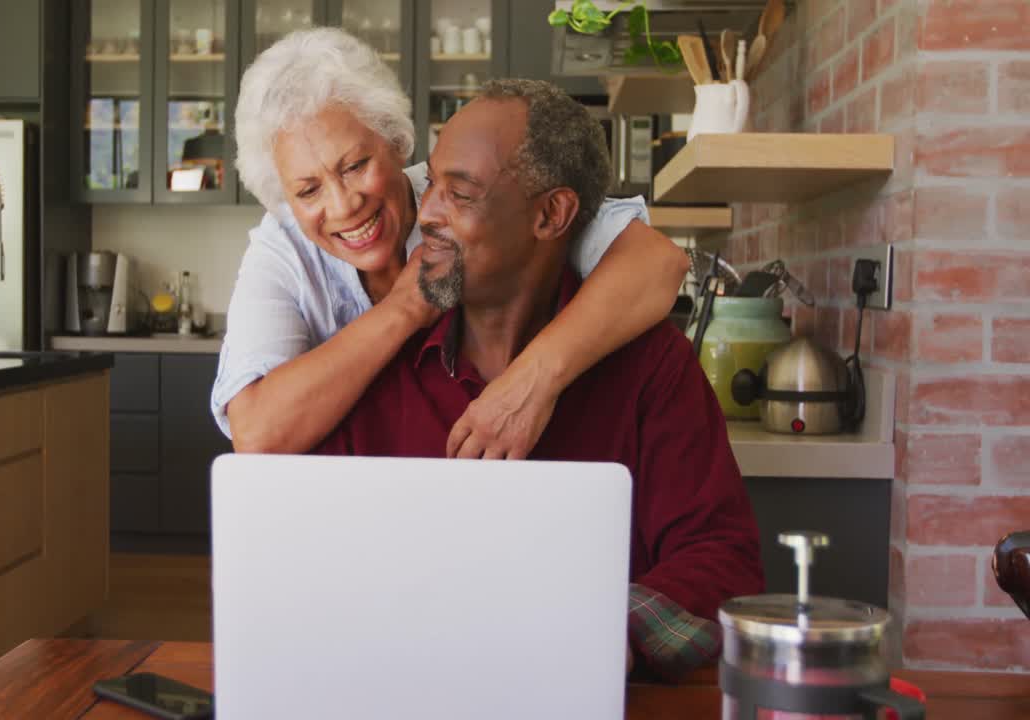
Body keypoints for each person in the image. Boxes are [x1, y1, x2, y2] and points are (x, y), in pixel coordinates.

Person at [312, 79, 763, 679]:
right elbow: (315, 562)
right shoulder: (382, 368)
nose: (430, 216)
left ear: (551, 214)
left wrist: (595, 631)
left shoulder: (652, 368)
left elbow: (723, 561)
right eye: (431, 186)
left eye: (461, 193)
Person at [212, 28, 691, 458]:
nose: (342, 206)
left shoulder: (463, 194)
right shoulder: (283, 248)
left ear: (395, 141)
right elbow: (256, 433)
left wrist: (531, 381)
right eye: (308, 190)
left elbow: (657, 263)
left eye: (355, 165)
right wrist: (404, 309)